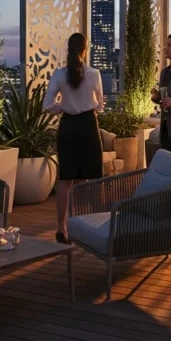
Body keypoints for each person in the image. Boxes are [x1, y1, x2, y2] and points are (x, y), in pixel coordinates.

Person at [43, 33, 104, 244]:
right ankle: (89, 226)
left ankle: (62, 229)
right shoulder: (94, 74)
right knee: (88, 179)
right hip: (88, 126)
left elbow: (47, 105)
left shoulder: (60, 74)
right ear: (85, 49)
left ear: (68, 49)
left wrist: (63, 108)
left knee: (65, 179)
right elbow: (100, 105)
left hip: (68, 126)